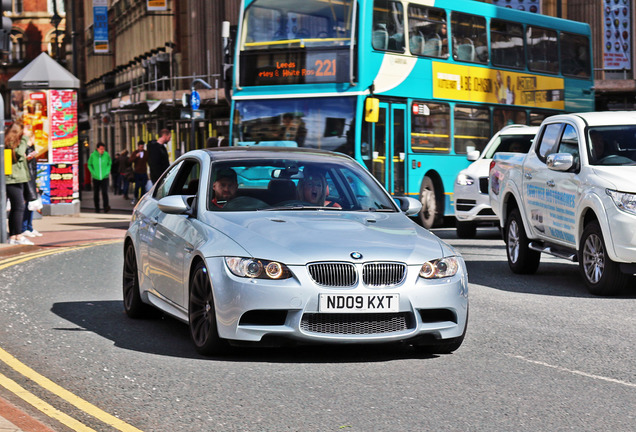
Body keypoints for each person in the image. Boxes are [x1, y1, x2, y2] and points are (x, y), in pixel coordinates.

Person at [5, 122, 34, 245]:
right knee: (18, 207)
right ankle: (18, 235)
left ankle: (14, 236)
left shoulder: (12, 143)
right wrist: (26, 139)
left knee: (16, 208)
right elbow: (18, 153)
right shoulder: (12, 143)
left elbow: (16, 157)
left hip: (17, 178)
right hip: (13, 180)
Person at [22, 135, 42, 238]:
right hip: (27, 180)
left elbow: (33, 169)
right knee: (27, 205)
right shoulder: (24, 149)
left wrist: (35, 183)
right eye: (34, 137)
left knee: (32, 205)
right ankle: (24, 227)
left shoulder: (32, 149)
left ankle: (29, 227)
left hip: (31, 180)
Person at [87, 142, 112, 213]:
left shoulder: (106, 155)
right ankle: (97, 208)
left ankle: (106, 207)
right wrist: (93, 173)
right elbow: (89, 164)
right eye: (101, 149)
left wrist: (107, 172)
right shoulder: (93, 155)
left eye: (103, 149)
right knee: (96, 193)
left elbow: (109, 164)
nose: (102, 150)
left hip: (104, 177)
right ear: (97, 149)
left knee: (105, 192)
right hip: (96, 177)